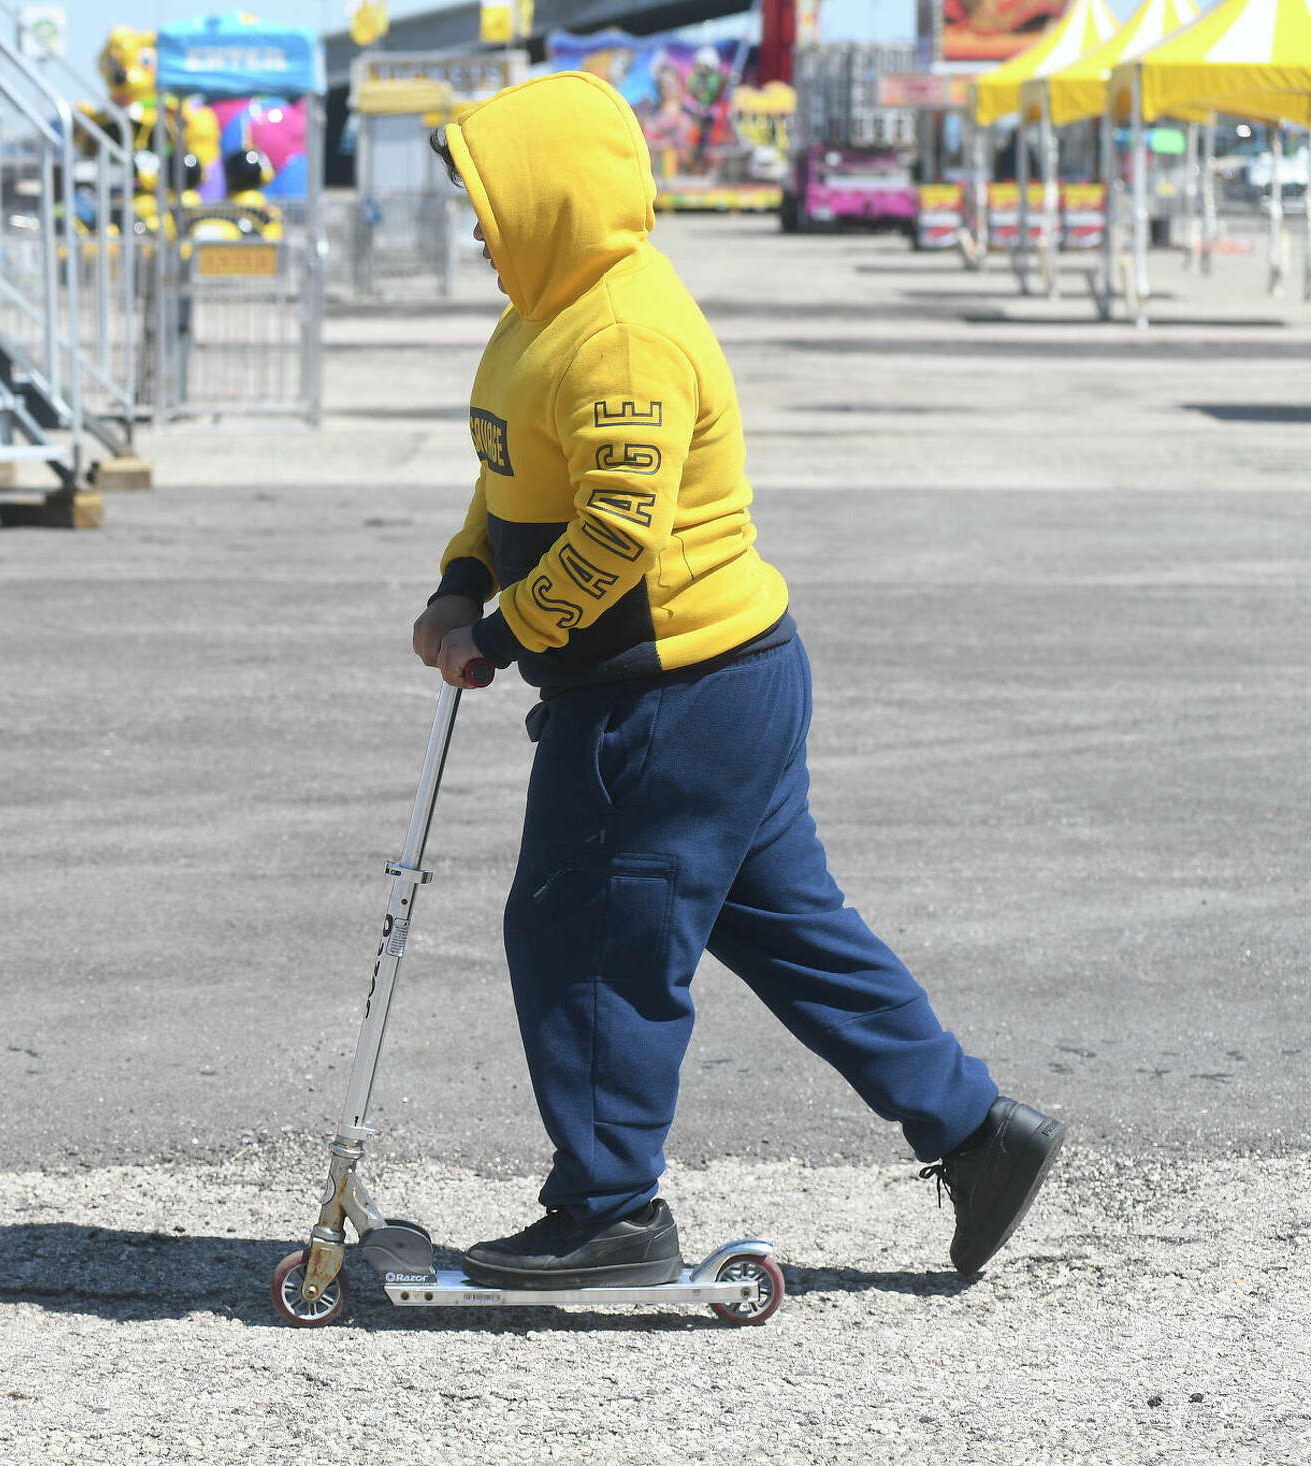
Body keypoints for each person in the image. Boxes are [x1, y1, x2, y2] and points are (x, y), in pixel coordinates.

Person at [409, 74, 1064, 1286]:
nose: (479, 229)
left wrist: (499, 637)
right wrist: (461, 576)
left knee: (582, 931)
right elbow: (514, 475)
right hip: (716, 687)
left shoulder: (620, 331)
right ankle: (978, 1134)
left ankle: (609, 1211)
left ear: (547, 197)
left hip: (670, 694)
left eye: (490, 205)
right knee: (788, 929)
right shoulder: (545, 313)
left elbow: (616, 534)